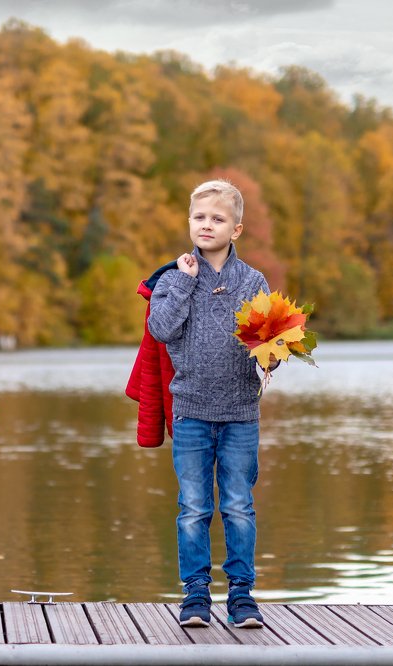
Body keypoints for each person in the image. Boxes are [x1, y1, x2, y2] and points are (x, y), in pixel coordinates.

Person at [147, 179, 269, 629]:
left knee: (238, 505)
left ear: (236, 229)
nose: (207, 225)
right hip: (193, 411)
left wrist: (274, 353)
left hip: (240, 412)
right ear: (189, 222)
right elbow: (161, 328)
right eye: (200, 217)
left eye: (218, 219)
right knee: (194, 507)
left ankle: (242, 596)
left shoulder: (252, 280)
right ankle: (195, 595)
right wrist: (184, 283)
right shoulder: (173, 278)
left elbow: (266, 340)